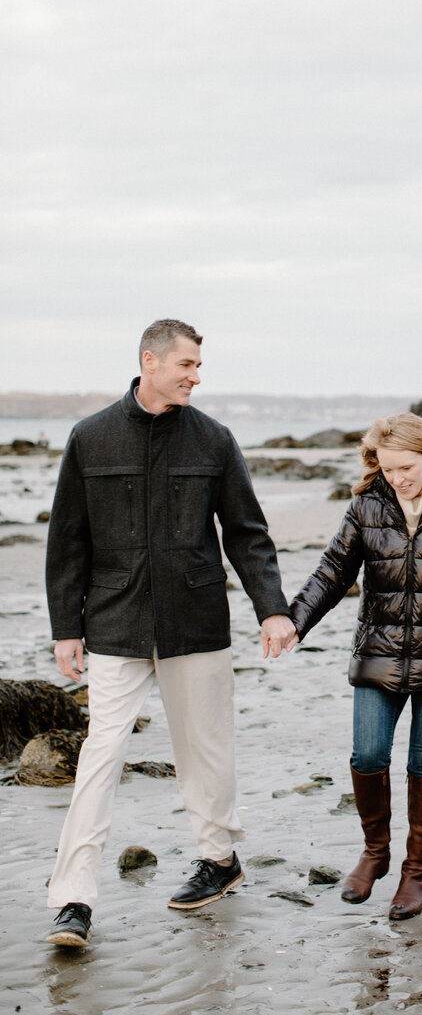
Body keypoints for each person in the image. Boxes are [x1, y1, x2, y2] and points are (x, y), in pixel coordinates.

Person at [44, 319, 291, 947]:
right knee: (100, 756)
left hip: (195, 618)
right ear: (149, 361)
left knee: (205, 750)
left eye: (199, 366)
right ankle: (74, 899)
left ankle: (219, 859)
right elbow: (67, 539)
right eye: (186, 365)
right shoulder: (90, 437)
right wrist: (64, 627)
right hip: (114, 622)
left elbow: (246, 533)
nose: (196, 376)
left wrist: (272, 608)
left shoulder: (214, 439)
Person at [262, 412, 422, 919]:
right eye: (387, 468)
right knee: (368, 755)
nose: (398, 477)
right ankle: (376, 853)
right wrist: (294, 622)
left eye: (406, 467)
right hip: (379, 651)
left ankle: (416, 873)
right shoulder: (367, 505)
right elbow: (332, 572)